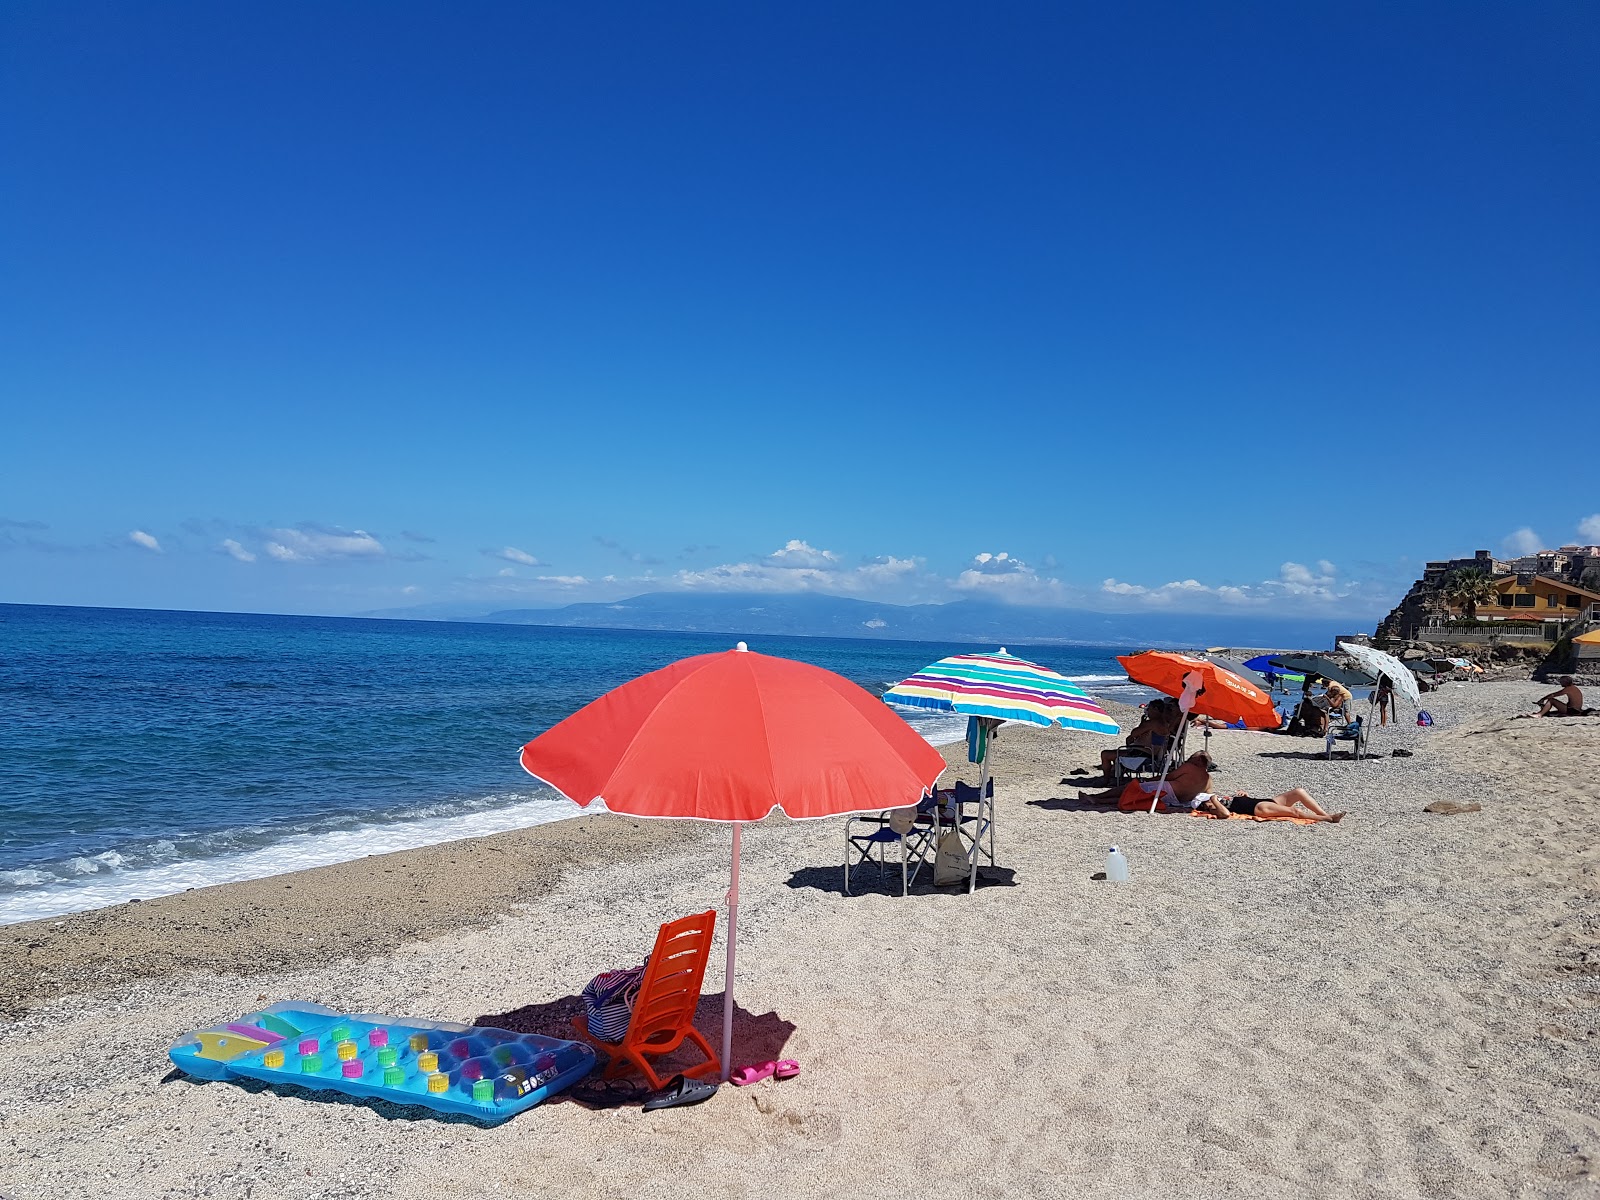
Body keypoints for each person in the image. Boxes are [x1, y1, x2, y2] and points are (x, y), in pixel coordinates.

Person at [1195, 789, 1346, 823]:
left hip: (1263, 800)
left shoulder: (1218, 801)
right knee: (1294, 811)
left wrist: (1243, 795)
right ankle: (1328, 819)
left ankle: (1324, 813)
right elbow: (1226, 814)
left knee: (1299, 792)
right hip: (1259, 808)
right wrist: (1213, 800)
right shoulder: (1212, 807)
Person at [1521, 677, 1587, 718]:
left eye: (1561, 682)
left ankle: (1539, 714)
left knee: (1551, 700)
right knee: (1551, 704)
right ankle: (1542, 711)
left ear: (1565, 682)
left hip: (1573, 711)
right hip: (1575, 709)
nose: (1561, 683)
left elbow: (1554, 695)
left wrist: (1543, 699)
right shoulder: (1574, 688)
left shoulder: (1568, 689)